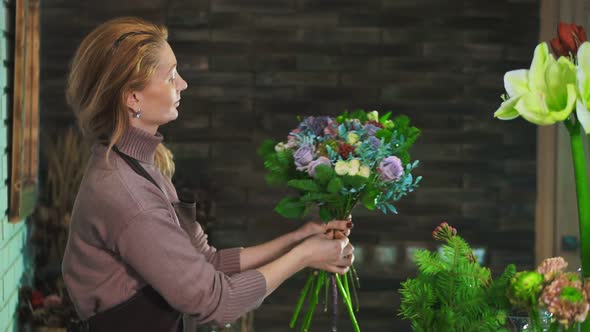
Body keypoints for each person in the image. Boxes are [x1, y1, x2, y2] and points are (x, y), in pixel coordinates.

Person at [61, 17, 354, 332]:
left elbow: (206, 262)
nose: (183, 84)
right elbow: (215, 302)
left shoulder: (139, 166)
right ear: (133, 97)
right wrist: (303, 256)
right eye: (171, 75)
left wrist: (297, 240)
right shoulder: (126, 194)